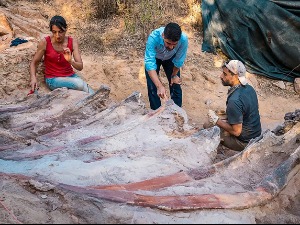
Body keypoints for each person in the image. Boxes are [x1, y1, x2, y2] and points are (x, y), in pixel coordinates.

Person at [29, 15, 94, 94]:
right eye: (54, 32)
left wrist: (70, 61)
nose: (57, 35)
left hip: (71, 76)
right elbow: (34, 62)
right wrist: (33, 78)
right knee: (80, 84)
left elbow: (80, 67)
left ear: (66, 29)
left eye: (60, 32)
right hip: (52, 79)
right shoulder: (45, 42)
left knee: (91, 92)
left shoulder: (73, 42)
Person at [206, 60, 262, 151]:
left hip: (245, 142)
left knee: (208, 125)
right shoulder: (249, 88)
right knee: (219, 114)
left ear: (235, 76)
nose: (221, 76)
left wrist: (217, 121)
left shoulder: (234, 101)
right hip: (256, 134)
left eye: (225, 74)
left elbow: (236, 132)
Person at [144, 22, 188, 110]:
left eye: (174, 44)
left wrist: (174, 75)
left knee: (175, 84)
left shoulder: (183, 40)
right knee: (153, 86)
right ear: (163, 35)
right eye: (168, 43)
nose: (171, 47)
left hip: (171, 58)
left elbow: (178, 61)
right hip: (156, 58)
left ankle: (177, 112)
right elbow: (150, 64)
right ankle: (156, 113)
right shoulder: (153, 38)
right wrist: (159, 86)